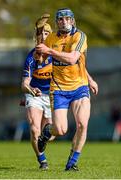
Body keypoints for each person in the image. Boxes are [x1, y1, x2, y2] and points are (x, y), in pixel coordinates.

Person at [36, 8, 98, 171]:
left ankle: (72, 163)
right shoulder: (50, 38)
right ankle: (49, 130)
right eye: (61, 19)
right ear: (57, 22)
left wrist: (90, 79)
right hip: (58, 89)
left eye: (67, 19)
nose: (64, 22)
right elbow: (40, 59)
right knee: (61, 130)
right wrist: (39, 46)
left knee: (82, 124)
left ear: (72, 20)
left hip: (80, 86)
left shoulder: (80, 36)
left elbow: (73, 59)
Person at [21, 15, 54, 170]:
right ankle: (42, 161)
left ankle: (45, 139)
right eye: (41, 33)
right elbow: (24, 84)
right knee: (35, 129)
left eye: (47, 33)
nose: (43, 36)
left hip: (53, 96)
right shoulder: (30, 58)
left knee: (51, 133)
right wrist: (30, 90)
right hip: (35, 95)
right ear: (37, 37)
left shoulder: (56, 55)